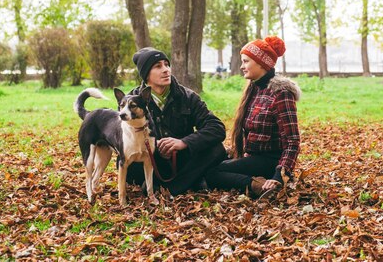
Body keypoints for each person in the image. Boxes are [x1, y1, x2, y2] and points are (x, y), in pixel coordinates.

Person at [206, 36, 301, 197]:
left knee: (212, 173)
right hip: (253, 157)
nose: (242, 66)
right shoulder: (254, 89)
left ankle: (259, 185)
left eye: (246, 61)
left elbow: (293, 141)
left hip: (271, 161)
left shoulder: (281, 93)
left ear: (261, 63)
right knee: (210, 160)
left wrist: (280, 175)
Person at [126, 47, 227, 196]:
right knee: (130, 165)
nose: (166, 70)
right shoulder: (130, 100)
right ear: (146, 74)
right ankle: (192, 181)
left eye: (167, 64)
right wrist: (156, 145)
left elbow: (216, 128)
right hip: (149, 159)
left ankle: (170, 187)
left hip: (182, 159)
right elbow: (122, 137)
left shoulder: (188, 96)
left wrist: (183, 142)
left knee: (217, 149)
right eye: (158, 66)